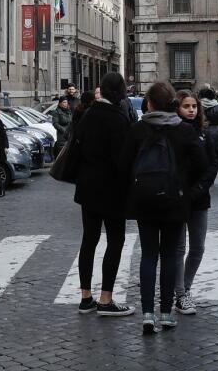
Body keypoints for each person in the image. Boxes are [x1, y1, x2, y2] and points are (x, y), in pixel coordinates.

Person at [119, 81, 207, 335]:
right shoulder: (185, 131)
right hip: (175, 201)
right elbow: (201, 165)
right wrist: (186, 189)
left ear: (150, 103)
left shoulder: (137, 130)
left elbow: (123, 166)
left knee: (148, 255)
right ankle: (167, 313)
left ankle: (147, 314)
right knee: (170, 255)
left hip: (145, 201)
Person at [71, 72, 135, 317]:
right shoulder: (118, 119)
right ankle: (105, 299)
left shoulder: (87, 116)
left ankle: (85, 297)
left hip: (88, 189)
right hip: (112, 190)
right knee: (115, 241)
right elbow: (123, 160)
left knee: (89, 240)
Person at [172, 90, 218, 316]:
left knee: (198, 247)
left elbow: (213, 164)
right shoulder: (172, 132)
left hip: (200, 198)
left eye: (194, 106)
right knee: (179, 248)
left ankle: (185, 287)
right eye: (186, 106)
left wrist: (201, 187)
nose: (191, 110)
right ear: (177, 108)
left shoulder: (204, 132)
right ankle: (180, 294)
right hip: (179, 198)